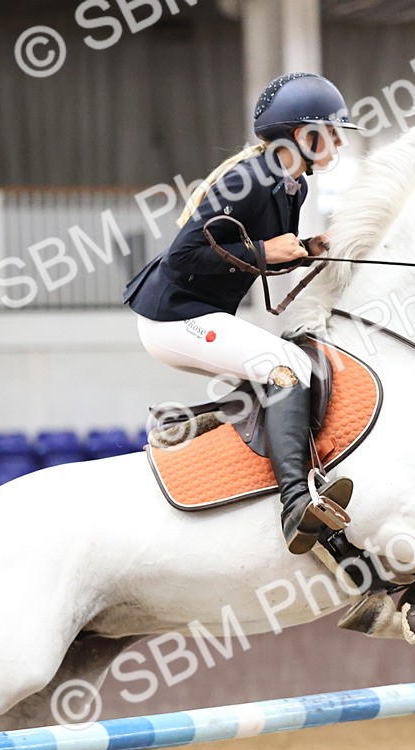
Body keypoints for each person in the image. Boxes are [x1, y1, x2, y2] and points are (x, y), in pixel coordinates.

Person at [123, 73, 357, 555]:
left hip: (200, 312)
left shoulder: (293, 186)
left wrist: (309, 249)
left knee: (285, 359)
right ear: (299, 134)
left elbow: (259, 252)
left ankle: (197, 422)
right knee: (285, 368)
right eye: (328, 132)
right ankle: (295, 505)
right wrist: (265, 250)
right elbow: (183, 257)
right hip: (173, 316)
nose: (335, 142)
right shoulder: (248, 178)